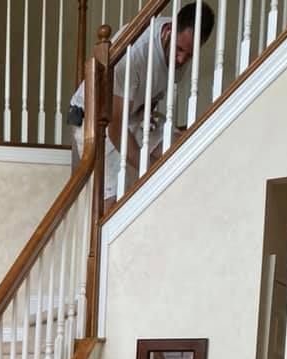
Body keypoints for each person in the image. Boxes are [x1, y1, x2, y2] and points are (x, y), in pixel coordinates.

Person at [69, 3, 215, 210]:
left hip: (130, 113)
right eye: (179, 49)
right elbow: (116, 129)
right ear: (170, 30)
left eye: (189, 54)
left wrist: (146, 111)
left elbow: (156, 86)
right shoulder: (136, 53)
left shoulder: (182, 50)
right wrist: (148, 170)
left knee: (181, 147)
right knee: (112, 201)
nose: (182, 59)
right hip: (96, 116)